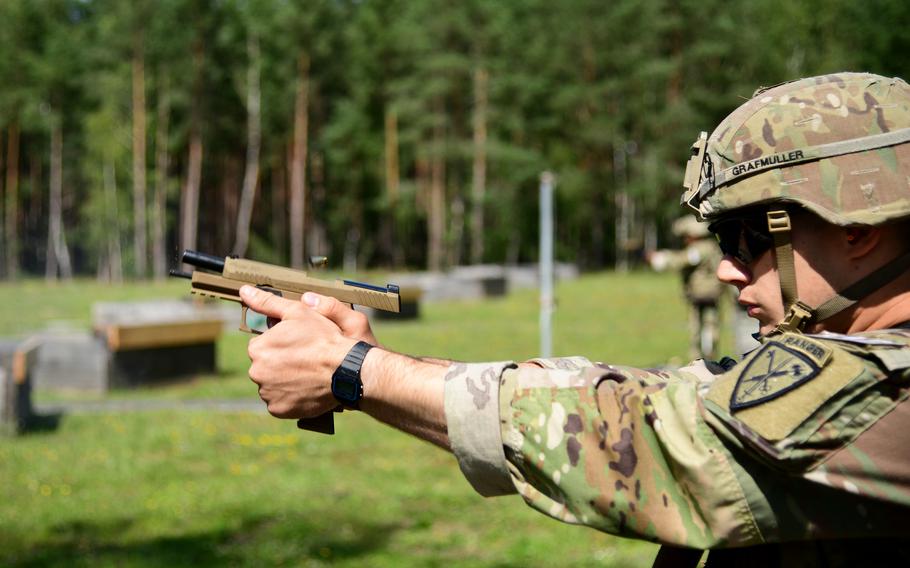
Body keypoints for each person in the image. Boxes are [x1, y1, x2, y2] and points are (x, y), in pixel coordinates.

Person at [241, 72, 910, 566]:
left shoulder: (887, 391)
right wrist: (374, 367)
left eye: (747, 236)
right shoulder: (854, 352)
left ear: (858, 228)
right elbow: (647, 397)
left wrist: (360, 373)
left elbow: (668, 445)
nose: (730, 267)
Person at [648, 216, 726, 360]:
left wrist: (662, 258)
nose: (685, 240)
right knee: (704, 328)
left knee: (705, 329)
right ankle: (706, 359)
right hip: (707, 294)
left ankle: (704, 360)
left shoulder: (700, 249)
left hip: (704, 295)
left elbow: (683, 260)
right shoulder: (710, 246)